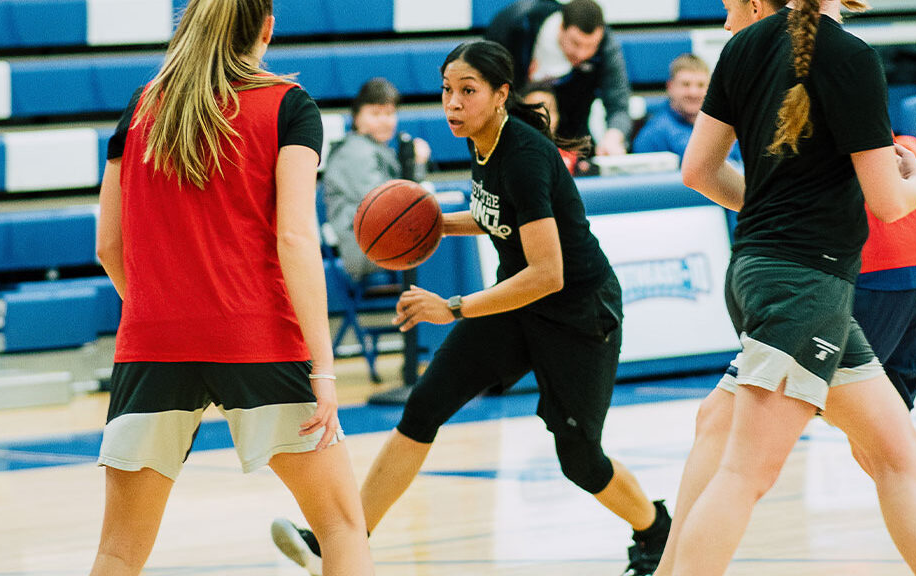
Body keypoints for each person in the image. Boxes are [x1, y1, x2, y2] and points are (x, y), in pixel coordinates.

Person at [271, 40, 671, 576]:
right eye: (446, 91)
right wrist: (428, 222)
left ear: (501, 94)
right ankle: (345, 542)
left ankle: (655, 531)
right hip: (520, 301)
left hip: (577, 314)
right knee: (424, 407)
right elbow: (496, 216)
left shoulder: (525, 154)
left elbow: (548, 273)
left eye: (467, 91)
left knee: (580, 460)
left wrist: (454, 307)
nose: (452, 104)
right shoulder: (482, 142)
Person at [654, 1, 916, 574]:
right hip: (806, 287)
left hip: (770, 274)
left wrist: (769, 212)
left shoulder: (742, 45)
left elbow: (698, 172)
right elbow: (887, 202)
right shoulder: (852, 56)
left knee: (895, 455)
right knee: (745, 474)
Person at [90, 1, 373, 575]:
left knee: (119, 552)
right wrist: (323, 369)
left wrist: (160, 310)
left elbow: (108, 247)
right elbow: (295, 238)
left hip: (151, 344)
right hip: (259, 337)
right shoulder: (289, 106)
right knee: (343, 528)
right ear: (267, 28)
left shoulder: (140, 107)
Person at [485, 0, 632, 156]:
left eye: (590, 46)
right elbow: (488, 91)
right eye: (576, 43)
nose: (582, 54)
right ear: (561, 27)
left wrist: (614, 136)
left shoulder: (605, 46)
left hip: (571, 139)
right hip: (508, 132)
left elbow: (618, 104)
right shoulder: (517, 25)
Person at [324, 78, 431, 281]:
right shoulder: (356, 153)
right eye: (375, 114)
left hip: (379, 239)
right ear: (356, 118)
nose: (384, 121)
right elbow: (386, 208)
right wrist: (415, 165)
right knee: (438, 244)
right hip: (365, 247)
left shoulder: (373, 147)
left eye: (389, 113)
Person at [632, 54, 742, 164]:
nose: (693, 93)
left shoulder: (727, 128)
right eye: (686, 84)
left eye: (700, 85)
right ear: (670, 87)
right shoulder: (652, 136)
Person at [522, 81, 585, 174]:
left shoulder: (573, 160)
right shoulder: (507, 159)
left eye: (549, 110)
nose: (543, 118)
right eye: (535, 111)